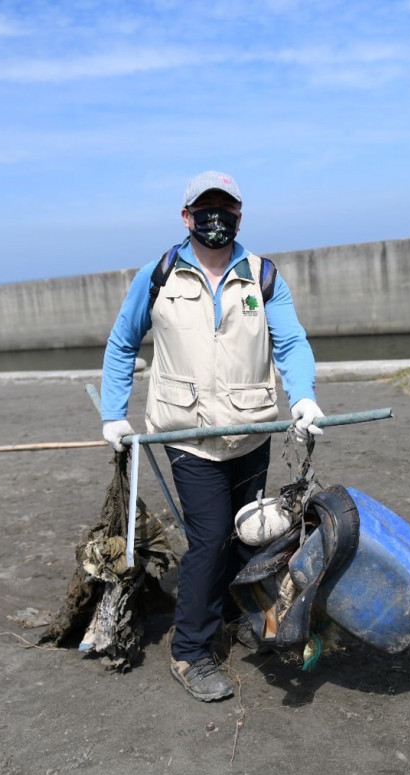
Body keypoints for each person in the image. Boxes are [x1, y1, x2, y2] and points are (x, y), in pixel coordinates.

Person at [99, 170, 323, 702]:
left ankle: (238, 614)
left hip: (252, 429)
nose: (216, 217)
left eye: (226, 208)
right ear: (186, 217)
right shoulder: (159, 275)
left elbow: (290, 342)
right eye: (206, 208)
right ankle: (191, 652)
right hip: (187, 434)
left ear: (240, 216)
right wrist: (114, 413)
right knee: (209, 538)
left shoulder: (262, 276)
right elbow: (122, 343)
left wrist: (304, 397)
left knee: (252, 531)